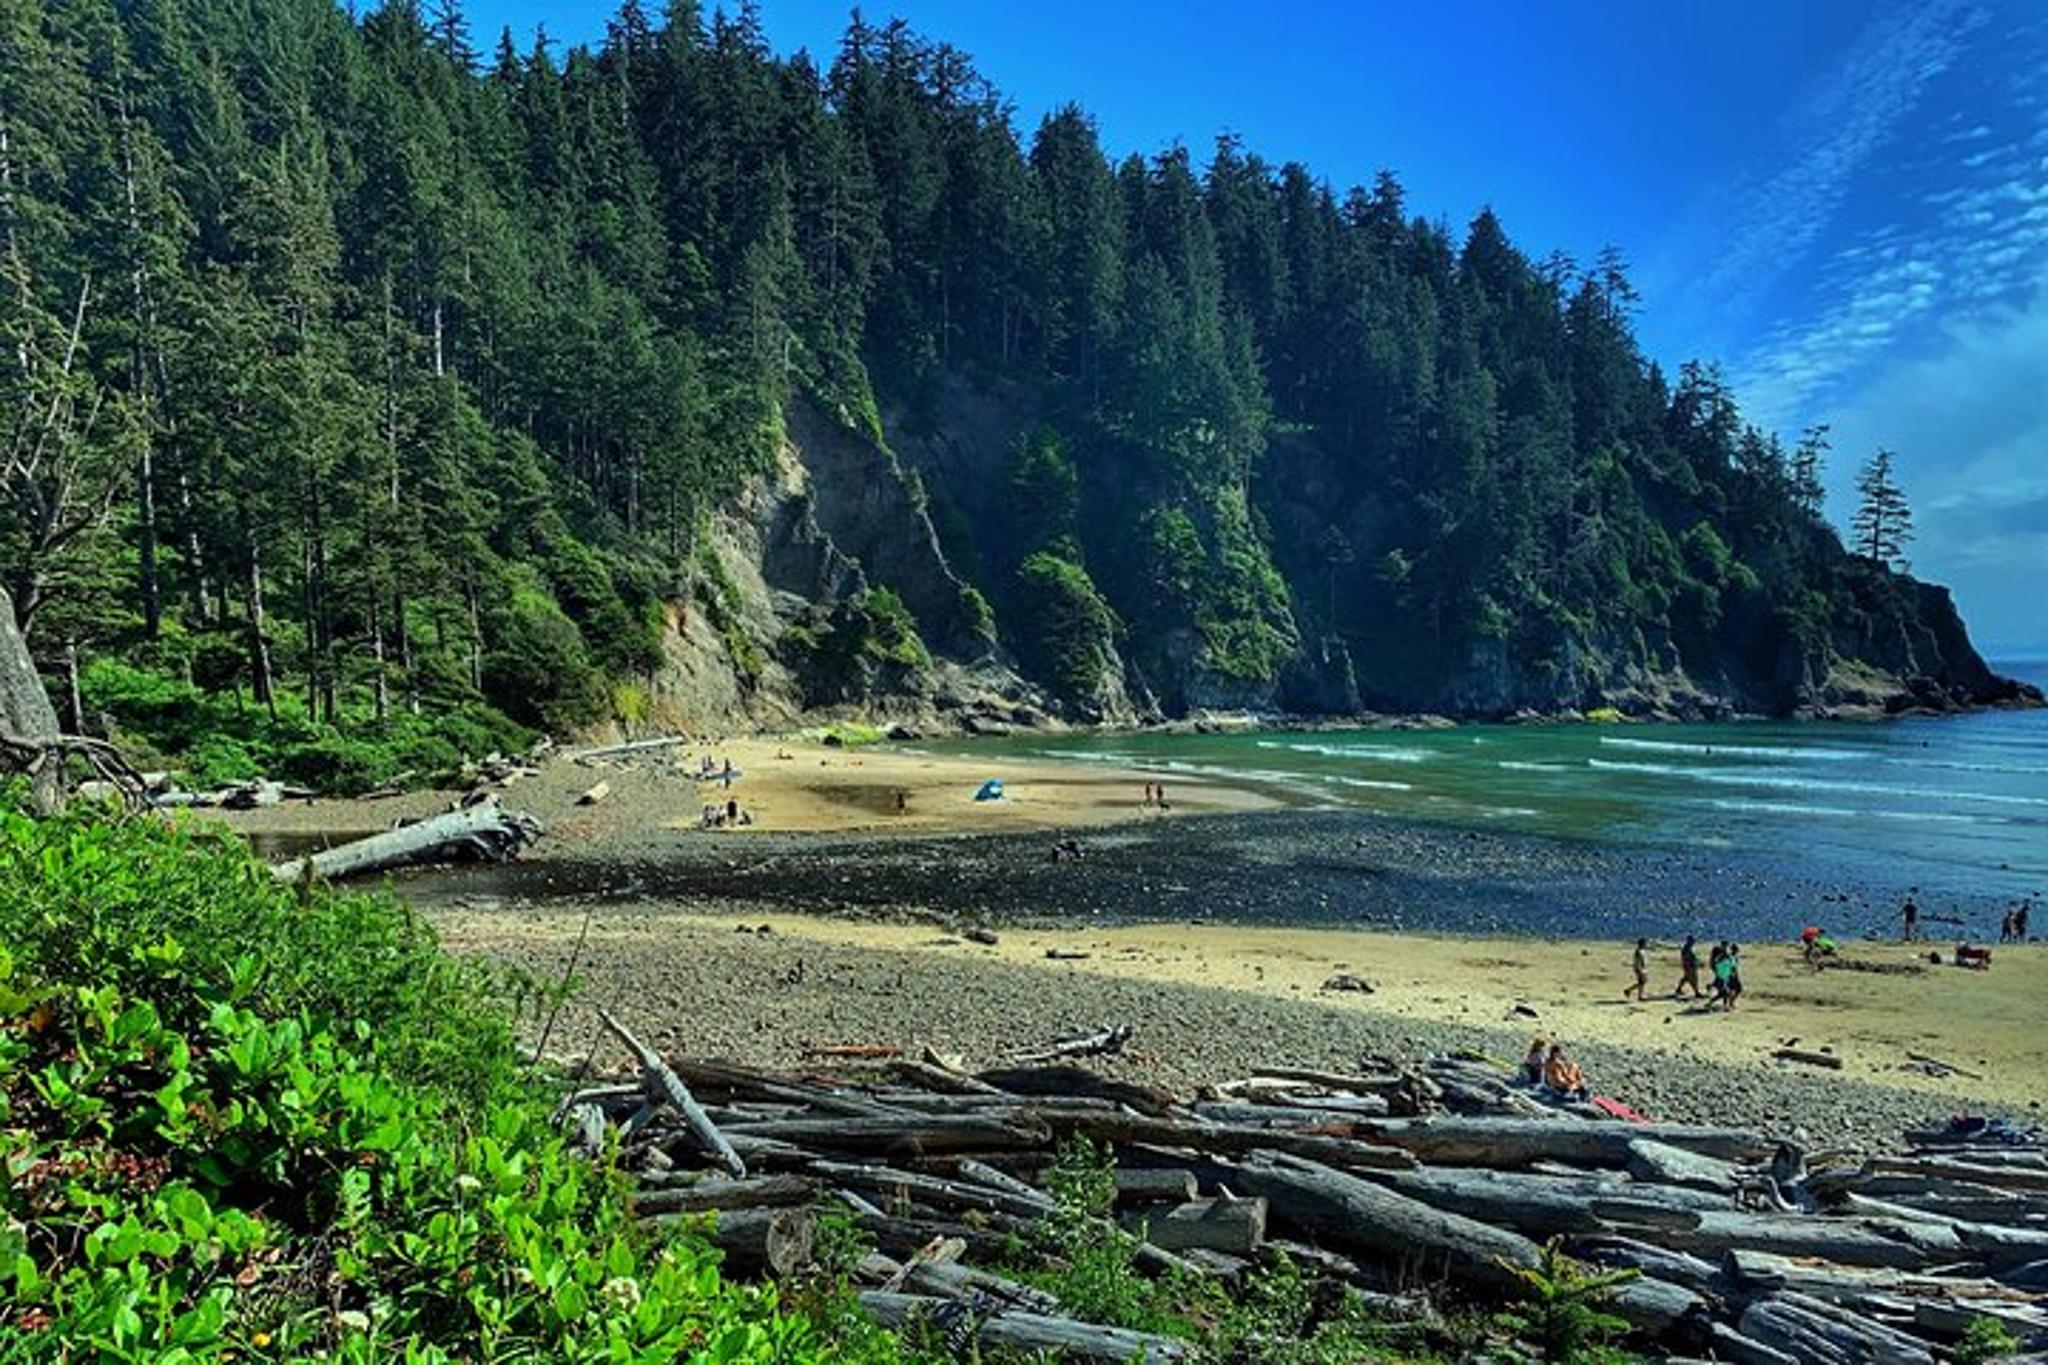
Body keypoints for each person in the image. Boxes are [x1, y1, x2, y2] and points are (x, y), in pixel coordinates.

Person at [1723, 943, 1745, 1010]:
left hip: (1732, 976)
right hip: (1731, 976)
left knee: (1734, 990)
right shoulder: (1731, 957)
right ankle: (1730, 1004)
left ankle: (1731, 1003)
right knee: (1735, 989)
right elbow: (1732, 967)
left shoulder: (1734, 957)